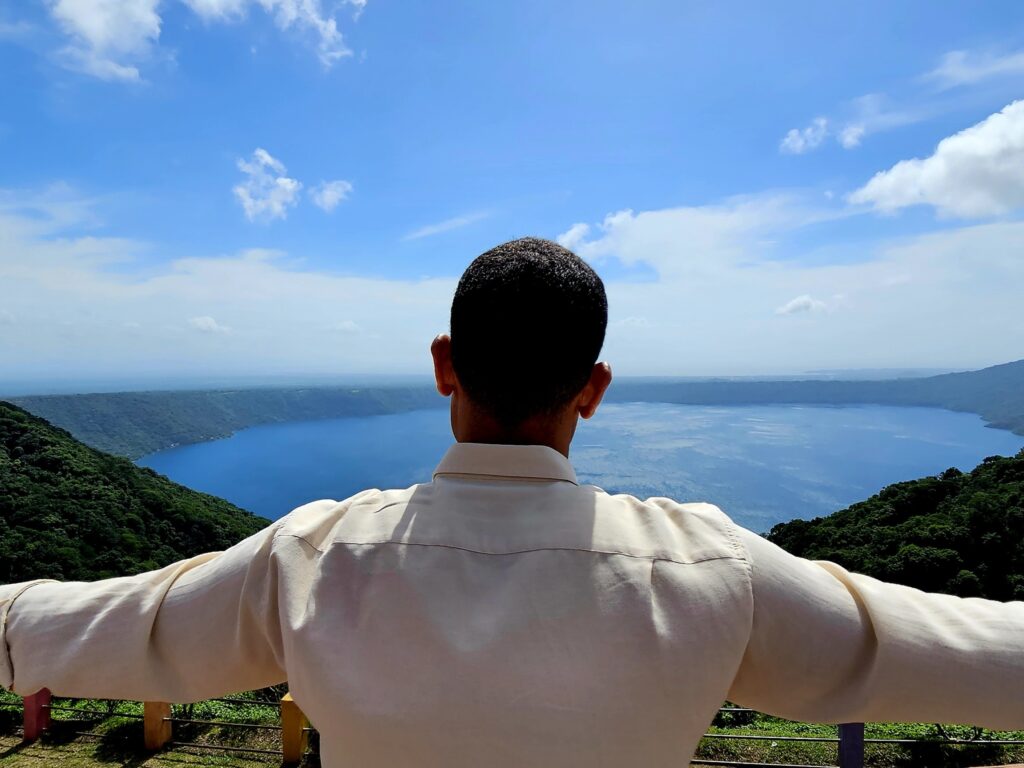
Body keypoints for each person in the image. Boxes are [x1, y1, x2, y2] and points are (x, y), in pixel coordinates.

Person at [2, 237, 1023, 767]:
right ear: (594, 388)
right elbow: (955, 651)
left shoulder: (312, 559)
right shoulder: (710, 571)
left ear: (445, 367)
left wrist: (22, 640)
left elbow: (132, 621)